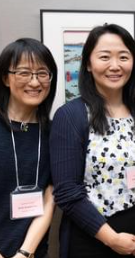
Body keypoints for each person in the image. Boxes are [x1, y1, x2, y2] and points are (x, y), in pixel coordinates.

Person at [49, 24, 135, 258]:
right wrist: (112, 240)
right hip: (91, 237)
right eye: (104, 57)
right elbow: (67, 192)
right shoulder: (71, 115)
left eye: (123, 57)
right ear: (88, 64)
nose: (115, 65)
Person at [0, 38, 57, 258]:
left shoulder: (54, 132)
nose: (34, 82)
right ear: (6, 78)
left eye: (42, 73)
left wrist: (24, 253)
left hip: (33, 252)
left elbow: (50, 195)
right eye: (24, 73)